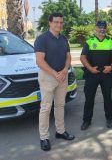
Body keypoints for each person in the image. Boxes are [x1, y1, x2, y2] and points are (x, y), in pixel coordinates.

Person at [34, 13, 74, 151]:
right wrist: (55, 73)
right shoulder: (42, 39)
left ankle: (60, 131)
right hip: (48, 76)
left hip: (62, 76)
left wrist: (64, 70)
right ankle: (44, 137)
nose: (59, 25)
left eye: (61, 22)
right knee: (46, 107)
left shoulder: (63, 39)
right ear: (50, 23)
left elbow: (68, 57)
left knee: (60, 105)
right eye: (56, 22)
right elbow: (39, 61)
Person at [80, 21, 112, 130]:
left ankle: (109, 118)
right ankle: (86, 120)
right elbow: (83, 57)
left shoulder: (111, 42)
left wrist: (111, 67)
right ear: (95, 29)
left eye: (103, 28)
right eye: (99, 28)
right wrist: (90, 69)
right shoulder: (89, 42)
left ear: (106, 29)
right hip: (92, 74)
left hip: (106, 74)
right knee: (89, 98)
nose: (101, 30)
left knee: (107, 98)